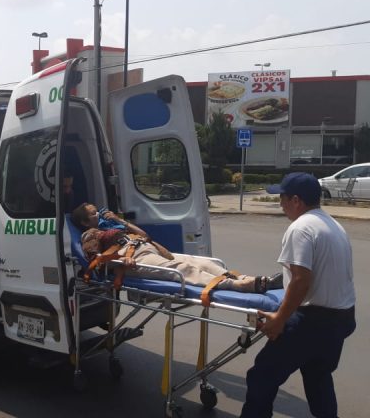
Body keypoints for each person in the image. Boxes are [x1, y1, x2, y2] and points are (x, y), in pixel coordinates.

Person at [240, 173, 356, 418]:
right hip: (342, 318)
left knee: (262, 376)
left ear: (295, 200)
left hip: (312, 320)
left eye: (281, 199)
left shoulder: (301, 228)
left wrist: (279, 319)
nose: (280, 205)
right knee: (317, 375)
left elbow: (302, 280)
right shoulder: (333, 225)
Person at [71, 203, 281, 293]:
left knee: (202, 261)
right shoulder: (90, 234)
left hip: (146, 248)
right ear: (84, 222)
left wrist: (121, 222)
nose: (98, 213)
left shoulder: (113, 224)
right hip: (131, 261)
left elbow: (144, 236)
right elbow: (95, 261)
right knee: (183, 269)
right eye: (93, 213)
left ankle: (241, 278)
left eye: (97, 210)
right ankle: (238, 287)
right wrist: (119, 262)